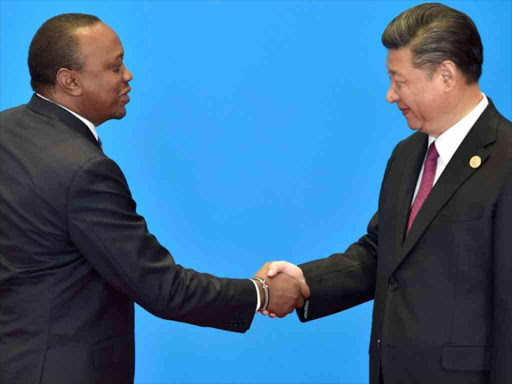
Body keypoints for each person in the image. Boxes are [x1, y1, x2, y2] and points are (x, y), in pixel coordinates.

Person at [0, 14, 309, 384]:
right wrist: (260, 293)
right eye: (115, 67)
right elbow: (163, 289)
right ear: (70, 81)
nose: (128, 75)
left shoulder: (7, 131)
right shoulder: (84, 171)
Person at [266, 3, 512, 384]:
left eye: (399, 80)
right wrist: (303, 281)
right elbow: (383, 254)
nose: (390, 95)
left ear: (446, 74)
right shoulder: (407, 154)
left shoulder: (508, 159)